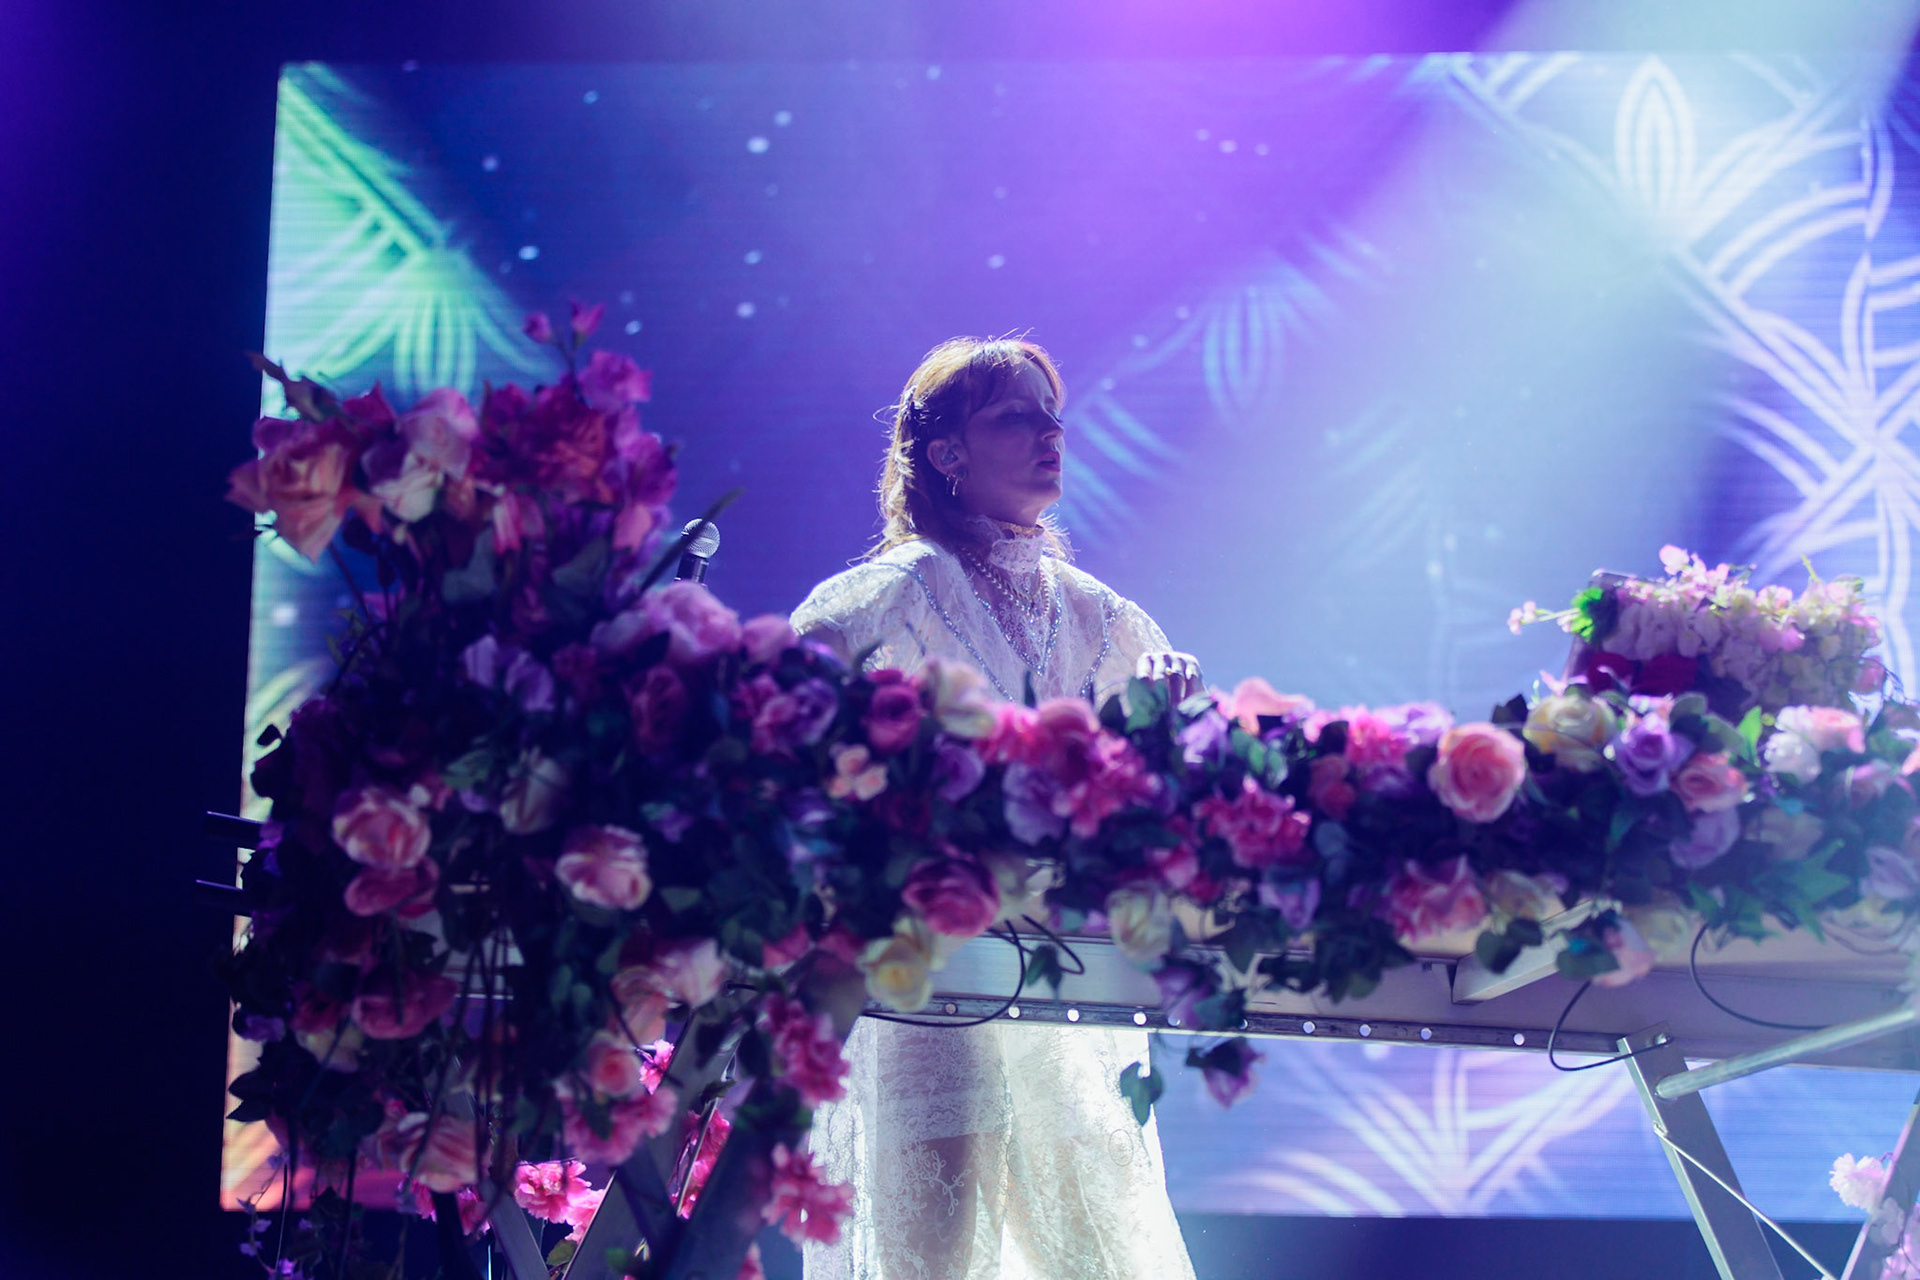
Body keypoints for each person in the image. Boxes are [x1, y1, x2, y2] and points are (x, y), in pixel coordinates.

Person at [790, 337, 1200, 1280]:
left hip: (1070, 979)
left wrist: (1163, 731)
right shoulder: (891, 594)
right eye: (1017, 414)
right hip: (931, 972)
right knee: (933, 1251)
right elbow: (780, 710)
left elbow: (1148, 802)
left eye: (1053, 413)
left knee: (1097, 1239)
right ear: (946, 452)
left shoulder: (1106, 617)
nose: (1051, 432)